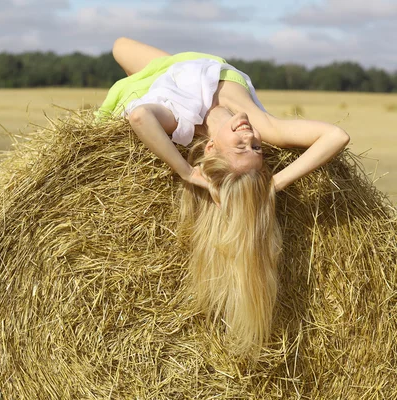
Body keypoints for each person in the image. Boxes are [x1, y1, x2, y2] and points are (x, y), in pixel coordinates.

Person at [98, 37, 350, 355]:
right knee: (119, 45)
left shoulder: (180, 122)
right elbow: (336, 136)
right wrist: (275, 182)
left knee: (120, 47)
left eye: (242, 146)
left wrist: (185, 172)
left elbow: (138, 117)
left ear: (211, 148)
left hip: (161, 78)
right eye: (255, 148)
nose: (248, 136)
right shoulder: (263, 127)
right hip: (190, 62)